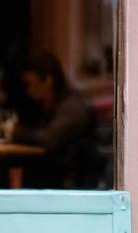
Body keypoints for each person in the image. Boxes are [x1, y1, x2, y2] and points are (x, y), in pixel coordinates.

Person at [13, 51, 101, 188]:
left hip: (71, 182)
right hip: (56, 175)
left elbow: (48, 139)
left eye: (30, 83)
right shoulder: (52, 105)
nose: (28, 90)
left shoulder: (73, 106)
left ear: (48, 80)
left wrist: (18, 133)